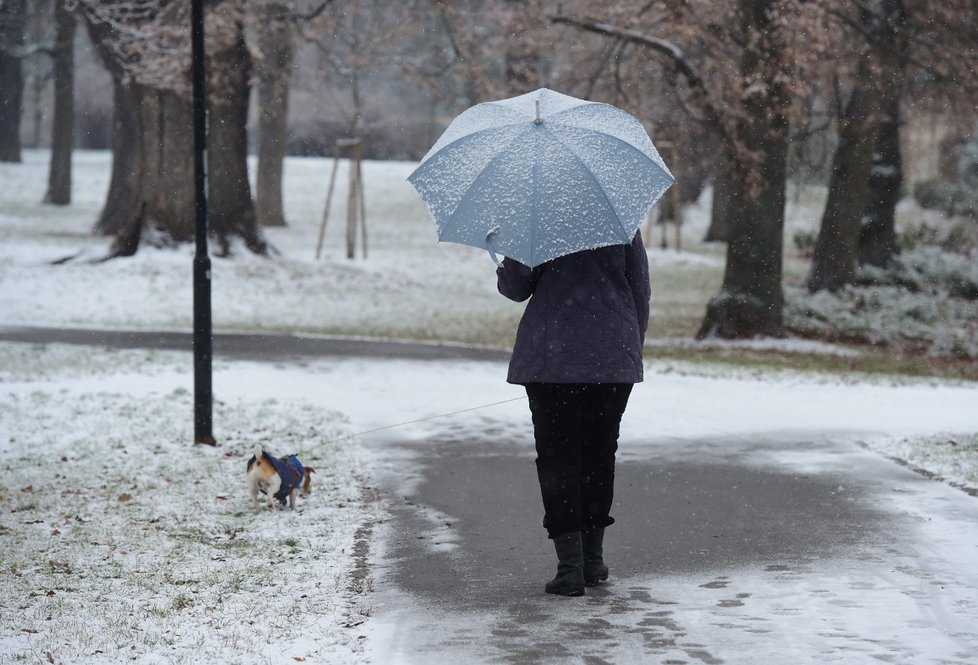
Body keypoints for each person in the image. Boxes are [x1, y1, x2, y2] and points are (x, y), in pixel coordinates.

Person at [496, 232, 650, 597]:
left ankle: (571, 567)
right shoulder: (620, 221)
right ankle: (593, 559)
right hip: (612, 358)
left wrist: (505, 262)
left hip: (553, 361)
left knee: (558, 459)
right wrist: (629, 343)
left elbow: (516, 287)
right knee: (599, 455)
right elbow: (640, 289)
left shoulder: (541, 221)